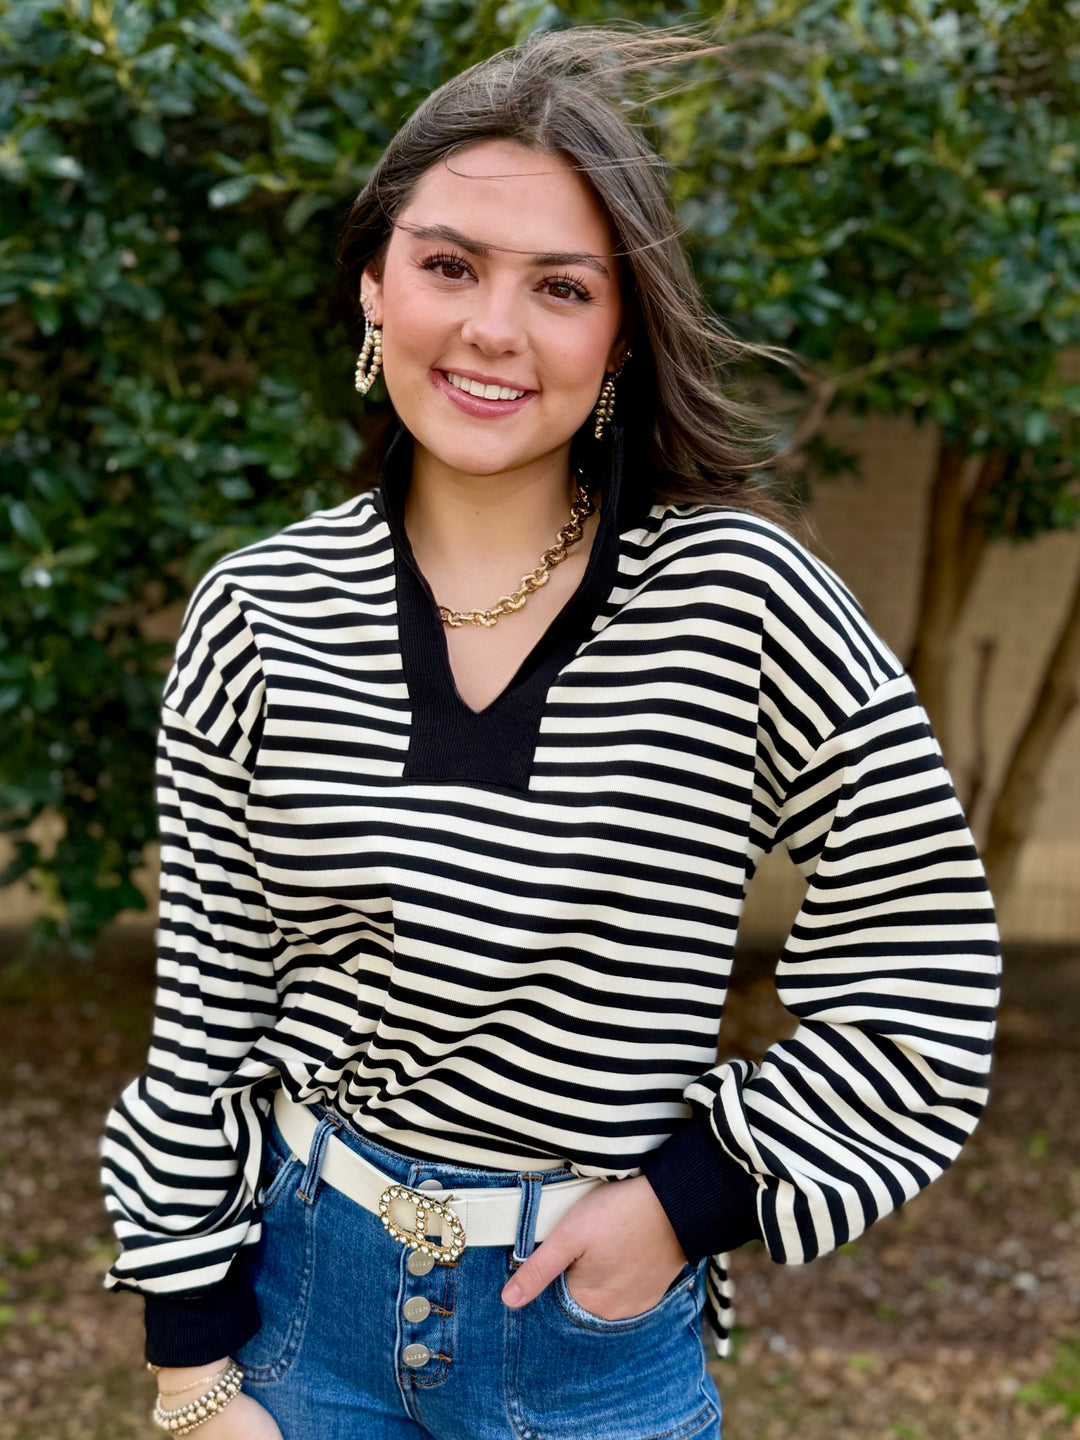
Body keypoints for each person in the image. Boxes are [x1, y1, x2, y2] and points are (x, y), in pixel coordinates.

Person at [98, 24, 1002, 1440]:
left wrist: (686, 1202)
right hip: (297, 1317)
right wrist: (190, 1375)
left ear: (622, 334)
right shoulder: (259, 609)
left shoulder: (738, 598)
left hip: (586, 1337)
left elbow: (927, 961)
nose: (493, 330)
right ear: (373, 287)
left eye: (562, 288)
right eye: (450, 265)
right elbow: (205, 1015)